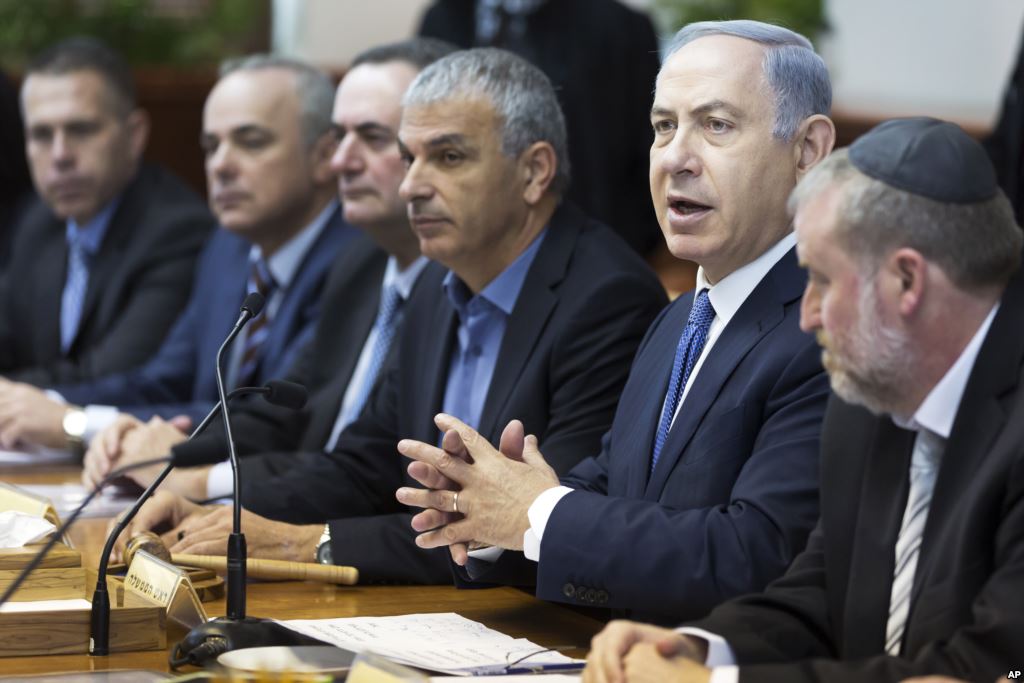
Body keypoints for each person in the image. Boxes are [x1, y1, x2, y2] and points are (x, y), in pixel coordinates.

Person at [115, 48, 667, 584]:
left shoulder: (606, 299)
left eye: (448, 157)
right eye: (408, 158)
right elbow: (362, 467)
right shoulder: (433, 286)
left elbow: (533, 530)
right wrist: (209, 503)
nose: (411, 187)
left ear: (534, 171)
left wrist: (310, 543)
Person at [396, 20, 835, 623]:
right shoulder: (680, 316)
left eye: (717, 125)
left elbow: (754, 554)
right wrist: (494, 519)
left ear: (807, 151)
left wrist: (539, 512)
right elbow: (609, 498)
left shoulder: (830, 330)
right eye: (663, 127)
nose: (677, 157)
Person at [582, 117, 1024, 683]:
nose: (807, 314)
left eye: (820, 280)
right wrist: (697, 649)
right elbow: (820, 592)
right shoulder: (867, 401)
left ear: (907, 282)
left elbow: (993, 668)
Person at [80, 38, 456, 495]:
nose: (341, 160)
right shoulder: (357, 265)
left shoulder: (417, 274)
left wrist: (197, 480)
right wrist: (162, 450)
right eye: (211, 146)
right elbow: (276, 416)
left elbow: (365, 473)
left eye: (374, 137)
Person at [0, 55, 355, 452]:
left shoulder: (355, 264)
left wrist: (76, 424)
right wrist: (52, 406)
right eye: (211, 145)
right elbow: (161, 381)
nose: (221, 165)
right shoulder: (228, 249)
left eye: (251, 142)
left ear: (326, 156)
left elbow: (273, 423)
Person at [0, 37, 213, 390]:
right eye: (41, 134)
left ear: (134, 136)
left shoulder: (177, 232)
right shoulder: (37, 221)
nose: (60, 155)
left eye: (80, 130)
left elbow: (114, 375)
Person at [418, 0, 662, 255]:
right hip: (466, 244)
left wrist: (630, 247)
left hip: (595, 244)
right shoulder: (443, 19)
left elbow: (647, 143)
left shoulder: (620, 27)